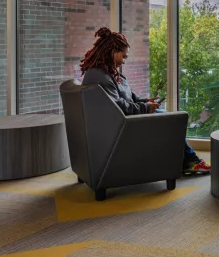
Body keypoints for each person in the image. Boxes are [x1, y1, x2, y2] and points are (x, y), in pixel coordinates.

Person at [79, 27, 210, 174]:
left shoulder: (106, 73)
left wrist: (145, 101)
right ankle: (190, 161)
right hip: (123, 127)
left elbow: (126, 97)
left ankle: (184, 160)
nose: (124, 61)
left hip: (125, 121)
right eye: (123, 56)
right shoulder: (100, 77)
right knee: (172, 121)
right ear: (113, 52)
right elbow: (118, 107)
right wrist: (146, 108)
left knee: (167, 116)